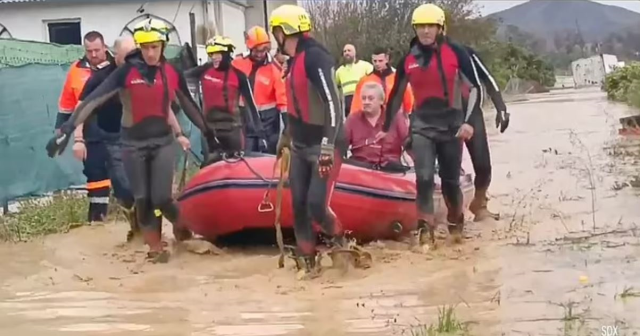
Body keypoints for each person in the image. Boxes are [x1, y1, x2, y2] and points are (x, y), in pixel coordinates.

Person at [46, 18, 216, 263]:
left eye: (154, 47)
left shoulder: (170, 72)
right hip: (132, 144)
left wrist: (209, 134)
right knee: (143, 198)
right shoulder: (125, 73)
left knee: (162, 198)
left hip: (162, 142)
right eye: (145, 47)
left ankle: (184, 229)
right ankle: (155, 249)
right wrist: (67, 130)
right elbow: (92, 101)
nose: (149, 53)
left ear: (163, 46)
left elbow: (188, 105)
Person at [382, 3, 481, 245]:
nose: (425, 31)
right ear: (415, 29)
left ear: (440, 28)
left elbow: (476, 88)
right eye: (421, 27)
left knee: (449, 180)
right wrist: (385, 128)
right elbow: (396, 95)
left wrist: (468, 123)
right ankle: (425, 230)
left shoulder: (456, 52)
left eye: (431, 26)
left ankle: (456, 226)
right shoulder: (409, 58)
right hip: (422, 126)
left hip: (451, 126)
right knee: (424, 177)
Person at [270, 4, 348, 278]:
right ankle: (308, 261)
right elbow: (294, 108)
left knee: (316, 204)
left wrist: (328, 146)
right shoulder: (292, 63)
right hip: (301, 146)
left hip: (326, 143)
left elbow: (334, 105)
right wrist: (284, 139)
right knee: (298, 205)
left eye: (275, 31)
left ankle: (340, 244)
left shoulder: (315, 58)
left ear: (282, 32)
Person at [74, 35, 144, 240]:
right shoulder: (102, 76)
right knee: (123, 184)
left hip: (141, 134)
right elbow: (81, 107)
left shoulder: (144, 70)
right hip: (112, 136)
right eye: (127, 57)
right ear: (116, 56)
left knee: (148, 183)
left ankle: (149, 230)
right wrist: (78, 139)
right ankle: (135, 224)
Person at [55, 31, 113, 223]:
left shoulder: (117, 67)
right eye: (89, 51)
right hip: (89, 130)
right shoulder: (76, 70)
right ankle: (97, 217)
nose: (94, 54)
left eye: (97, 50)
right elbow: (67, 103)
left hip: (116, 129)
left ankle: (128, 215)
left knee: (121, 173)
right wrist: (61, 130)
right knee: (95, 173)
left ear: (105, 47)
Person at [185, 36, 266, 166]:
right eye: (212, 54)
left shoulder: (239, 76)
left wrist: (260, 134)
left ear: (227, 53)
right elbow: (180, 79)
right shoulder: (204, 70)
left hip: (232, 130)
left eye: (218, 53)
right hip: (209, 131)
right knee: (210, 168)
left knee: (236, 168)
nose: (214, 57)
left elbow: (251, 106)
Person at [463, 46, 509, 221]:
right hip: (442, 114)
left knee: (483, 165)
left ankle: (480, 204)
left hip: (471, 112)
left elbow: (487, 79)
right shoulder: (421, 56)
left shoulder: (465, 52)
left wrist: (501, 107)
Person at [232, 26, 287, 154]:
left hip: (268, 123)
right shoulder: (238, 63)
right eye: (256, 50)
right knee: (246, 157)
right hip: (244, 119)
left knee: (267, 160)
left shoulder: (275, 69)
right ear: (249, 48)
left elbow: (283, 100)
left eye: (263, 50)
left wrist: (287, 128)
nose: (260, 54)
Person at [345, 82, 409, 171]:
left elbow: (409, 143)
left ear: (381, 101)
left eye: (371, 99)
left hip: (390, 172)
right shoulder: (353, 119)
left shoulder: (396, 116)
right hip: (360, 170)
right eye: (364, 98)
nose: (366, 102)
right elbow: (340, 146)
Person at [350, 47, 414, 116]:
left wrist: (407, 115)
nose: (377, 64)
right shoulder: (364, 81)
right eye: (375, 61)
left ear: (387, 59)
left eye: (380, 61)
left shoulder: (398, 78)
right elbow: (356, 105)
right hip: (372, 119)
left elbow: (408, 100)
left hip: (395, 118)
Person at [335, 44, 373, 117]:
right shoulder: (339, 71)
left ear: (355, 52)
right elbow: (335, 86)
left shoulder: (365, 65)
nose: (346, 53)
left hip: (362, 98)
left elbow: (375, 78)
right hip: (347, 101)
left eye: (349, 50)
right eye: (345, 51)